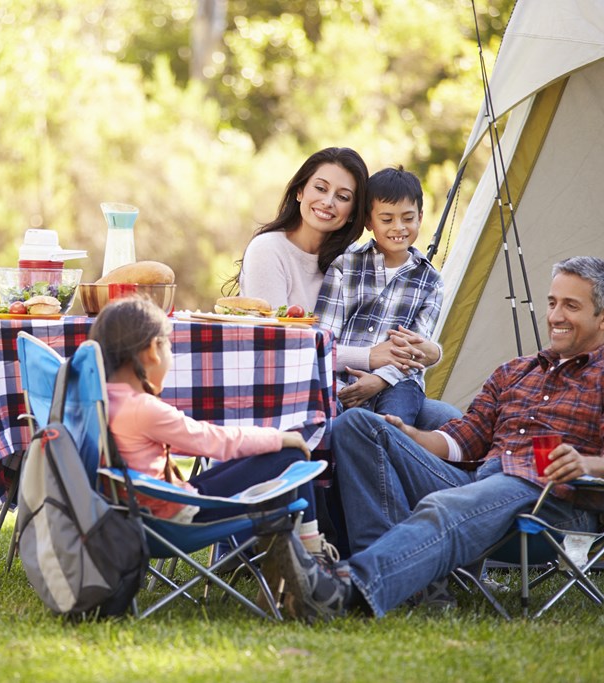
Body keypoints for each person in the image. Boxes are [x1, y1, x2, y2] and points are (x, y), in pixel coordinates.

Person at [323, 256, 604, 617]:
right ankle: (410, 586)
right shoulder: (514, 371)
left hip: (553, 499)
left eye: (571, 306)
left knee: (449, 504)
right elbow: (465, 438)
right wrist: (409, 435)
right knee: (357, 425)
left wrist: (585, 463)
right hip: (480, 482)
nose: (556, 316)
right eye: (552, 303)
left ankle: (345, 588)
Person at [88, 296, 350, 621]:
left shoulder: (99, 400)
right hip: (172, 520)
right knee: (291, 453)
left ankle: (295, 566)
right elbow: (211, 441)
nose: (170, 357)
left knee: (275, 455)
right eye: (170, 348)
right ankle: (313, 566)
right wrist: (278, 436)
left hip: (142, 511)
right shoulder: (142, 409)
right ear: (152, 350)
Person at [315, 166, 443, 425]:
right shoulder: (346, 266)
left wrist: (380, 379)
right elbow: (322, 341)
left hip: (398, 382)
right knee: (335, 423)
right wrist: (343, 386)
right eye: (387, 220)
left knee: (391, 429)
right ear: (369, 221)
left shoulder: (431, 282)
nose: (399, 227)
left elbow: (416, 350)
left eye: (408, 218)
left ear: (420, 216)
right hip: (340, 380)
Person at [225, 147, 369, 312]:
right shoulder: (268, 249)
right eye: (321, 188)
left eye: (343, 197)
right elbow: (276, 332)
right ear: (300, 192)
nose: (328, 202)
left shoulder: (357, 261)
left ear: (353, 212)